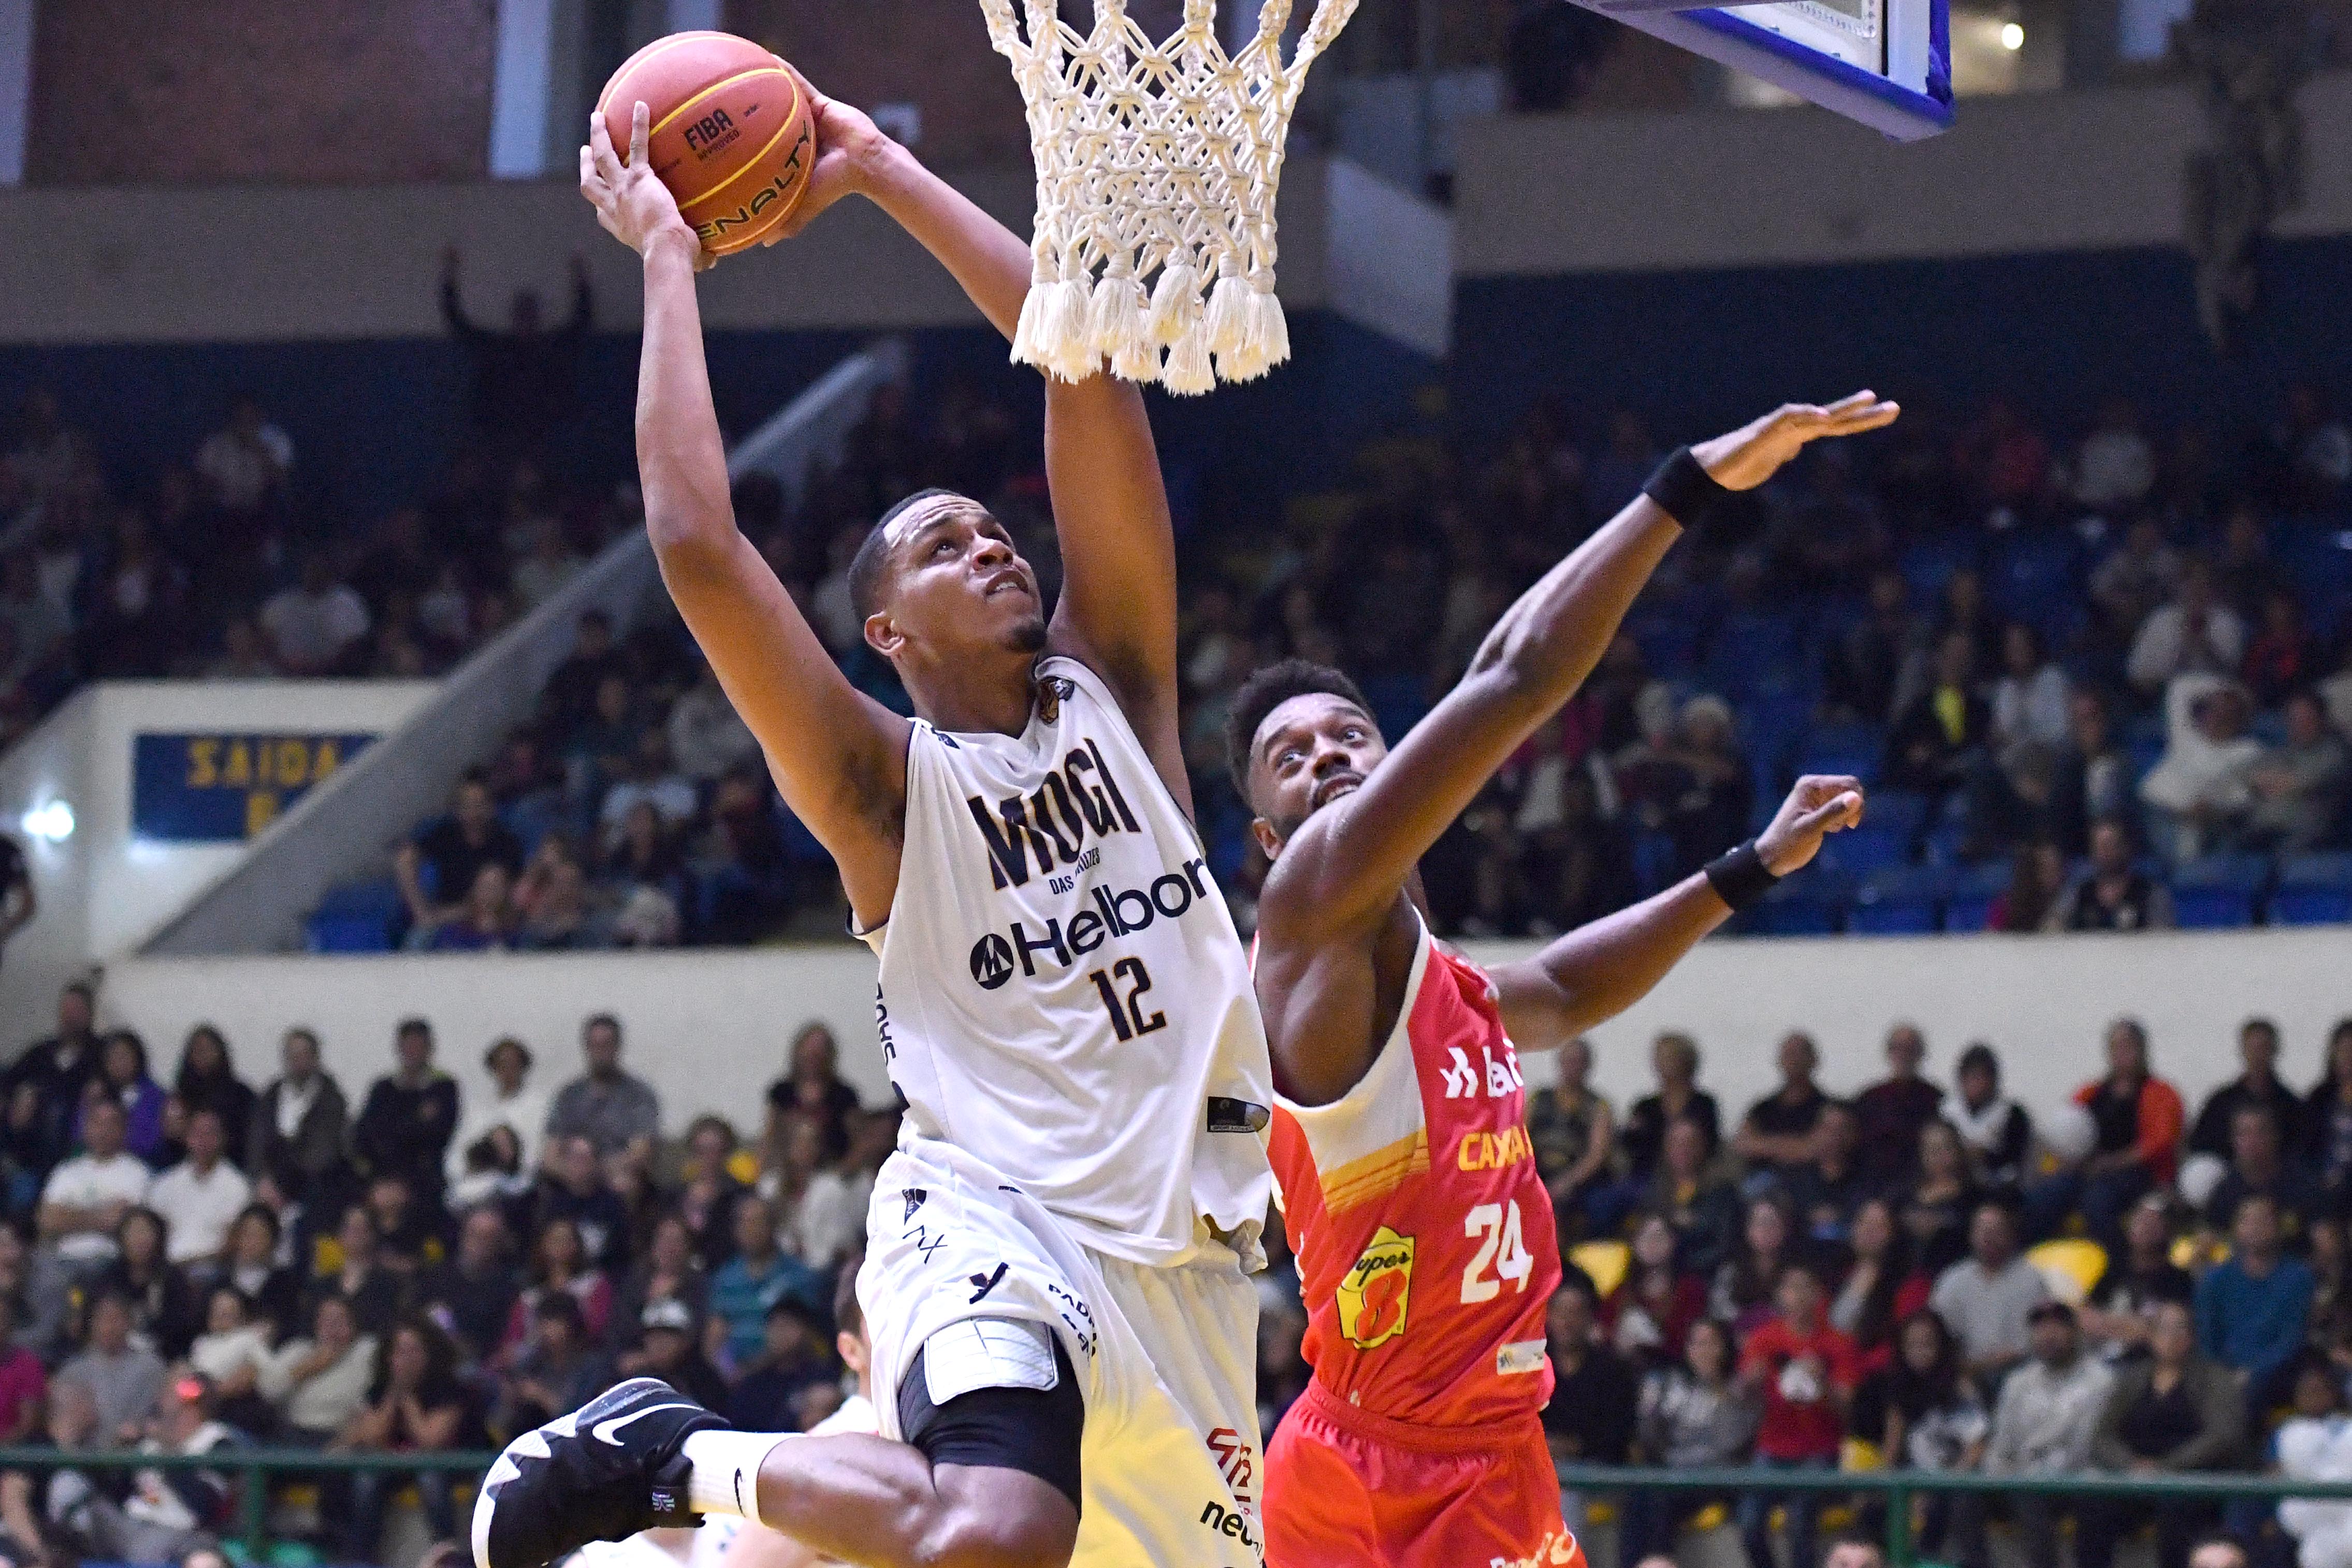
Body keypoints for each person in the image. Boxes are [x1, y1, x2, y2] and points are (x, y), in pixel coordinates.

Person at [486, 77, 1289, 1568]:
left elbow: (1084, 378)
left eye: (993, 528)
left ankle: (699, 1540)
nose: (987, 539)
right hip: (994, 1218)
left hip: (1189, 1265)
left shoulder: (1118, 689)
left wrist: (879, 169)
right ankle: (663, 1453)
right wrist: (667, 255)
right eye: (939, 543)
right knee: (991, 1532)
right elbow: (694, 542)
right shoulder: (883, 788)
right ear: (883, 631)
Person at [1236, 397, 1884, 1566]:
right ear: (1265, 840)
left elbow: (1566, 987)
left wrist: (1745, 866)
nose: (1328, 754)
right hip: (1392, 1460)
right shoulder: (1307, 908)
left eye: (1347, 734)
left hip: (1470, 1448)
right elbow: (1517, 673)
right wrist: (1681, 484)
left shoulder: (1441, 984)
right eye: (1292, 756)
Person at [2074, 1300, 2245, 1568]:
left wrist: (2167, 1467)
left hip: (2191, 1478)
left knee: (2177, 1510)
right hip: (2135, 1476)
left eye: (2181, 1329)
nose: (2173, 1337)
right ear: (2151, 1336)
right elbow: (2103, 1435)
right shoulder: (2133, 1378)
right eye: (2164, 1329)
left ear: (2191, 1336)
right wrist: (2130, 1465)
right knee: (2095, 1505)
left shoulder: (2215, 1378)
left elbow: (2222, 1436)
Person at [1964, 1300, 2113, 1568]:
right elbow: (2002, 1447)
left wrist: (2029, 1474)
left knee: (2034, 1495)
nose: (2049, 1334)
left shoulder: (2100, 1380)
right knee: (1965, 1495)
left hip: (2076, 1481)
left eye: (2058, 1326)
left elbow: (2085, 1447)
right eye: (2040, 1327)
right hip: (2021, 1479)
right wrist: (2001, 1476)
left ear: (2075, 1333)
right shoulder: (2018, 1382)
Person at [1736, 1261, 1858, 1568]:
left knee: (1800, 1518)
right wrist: (1749, 1382)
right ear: (1780, 1295)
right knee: (1748, 1521)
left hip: (1820, 1451)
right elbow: (1739, 1397)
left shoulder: (1839, 1343)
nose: (1799, 1296)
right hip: (1772, 1449)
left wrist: (1823, 1384)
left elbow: (1846, 1410)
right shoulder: (1763, 1339)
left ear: (1819, 1294)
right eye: (1791, 1288)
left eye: (1806, 1287)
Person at [2026, 1017, 2184, 1244]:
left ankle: (2115, 1263)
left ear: (2142, 1050)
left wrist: (2110, 1163)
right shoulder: (2091, 1093)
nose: (2122, 1053)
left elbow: (2159, 1143)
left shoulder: (2161, 1094)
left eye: (2128, 1046)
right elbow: (2065, 1129)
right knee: (2045, 1196)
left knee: (2098, 1201)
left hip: (2138, 1174)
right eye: (2116, 1047)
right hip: (2088, 1170)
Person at [1853, 1309, 1985, 1561]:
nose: (1919, 1352)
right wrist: (1896, 1490)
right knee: (1871, 1513)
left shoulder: (1960, 1388)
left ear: (1941, 1346)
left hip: (1956, 1480)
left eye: (1927, 1344)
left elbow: (1977, 1445)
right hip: (1914, 1481)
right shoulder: (1898, 1389)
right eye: (1912, 1345)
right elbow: (1892, 1450)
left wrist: (1943, 1485)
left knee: (1950, 1508)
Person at [1621, 1318, 1755, 1563]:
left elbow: (1731, 1445)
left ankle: (1658, 1562)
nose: (1702, 1352)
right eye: (1696, 1344)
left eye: (1710, 1344)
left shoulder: (1739, 1390)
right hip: (1674, 1473)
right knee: (1639, 1496)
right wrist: (1649, 1411)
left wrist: (1718, 1393)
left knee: (1660, 1500)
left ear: (1724, 1349)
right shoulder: (1676, 1385)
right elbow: (1653, 1441)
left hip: (1718, 1477)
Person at [336, 1317, 470, 1559]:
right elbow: (373, 1437)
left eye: (414, 1350)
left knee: (430, 1479)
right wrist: (393, 1394)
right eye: (400, 1351)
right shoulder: (379, 1389)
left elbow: (430, 1440)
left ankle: (447, 1556)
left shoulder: (448, 1389)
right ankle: (361, 1559)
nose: (406, 1358)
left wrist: (407, 1397)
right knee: (366, 1479)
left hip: (443, 1465)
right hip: (392, 1464)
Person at [2196, 1193, 2316, 1416]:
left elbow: (2291, 1339)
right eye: (2247, 1220)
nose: (2255, 1228)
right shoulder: (2215, 1279)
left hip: (2280, 1373)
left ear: (2278, 1227)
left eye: (2263, 1220)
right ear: (2236, 1228)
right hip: (2223, 1375)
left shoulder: (2298, 1276)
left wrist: (2253, 1373)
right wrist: (2222, 1377)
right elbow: (2208, 1340)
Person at [1928, 1202, 2049, 1395]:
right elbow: (1935, 1334)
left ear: (2011, 1235)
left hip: (2021, 1372)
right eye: (1982, 1230)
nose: (1989, 1238)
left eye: (1996, 1231)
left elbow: (2040, 1335)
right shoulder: (1953, 1279)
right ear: (1971, 1235)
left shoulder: (2031, 1278)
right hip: (1966, 1375)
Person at [394, 773, 525, 940]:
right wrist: (421, 910)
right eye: (468, 806)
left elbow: (515, 892)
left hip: (494, 918)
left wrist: (475, 911)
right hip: (447, 916)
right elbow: (404, 859)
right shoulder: (446, 834)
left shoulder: (506, 842)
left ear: (491, 807)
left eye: (479, 805)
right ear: (458, 809)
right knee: (419, 939)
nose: (474, 812)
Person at [705, 1195, 822, 1373]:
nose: (750, 1230)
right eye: (744, 1223)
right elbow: (714, 1337)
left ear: (772, 1226)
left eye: (757, 1222)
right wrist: (728, 1372)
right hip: (732, 1380)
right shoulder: (725, 1278)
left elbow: (801, 1337)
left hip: (783, 1375)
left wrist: (752, 1371)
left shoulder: (798, 1276)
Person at [35, 1098, 149, 1275]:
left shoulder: (137, 1173)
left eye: (111, 1123)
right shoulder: (66, 1171)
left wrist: (69, 1216)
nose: (103, 1131)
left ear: (124, 1129)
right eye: (96, 1122)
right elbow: (48, 1221)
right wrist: (102, 1217)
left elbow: (123, 1223)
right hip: (63, 1261)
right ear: (86, 1128)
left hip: (111, 1262)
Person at [352, 1018, 460, 1204]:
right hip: (382, 1173)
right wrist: (417, 1119)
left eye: (419, 1046)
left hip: (425, 1176)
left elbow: (439, 1137)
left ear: (429, 1049)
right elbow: (366, 1134)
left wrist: (395, 1127)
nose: (413, 1052)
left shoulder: (444, 1087)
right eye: (408, 1045)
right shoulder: (383, 1088)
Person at [2080, 1192, 2196, 1362]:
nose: (2146, 1226)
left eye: (2155, 1222)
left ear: (2169, 1231)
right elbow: (2086, 1316)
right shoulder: (2116, 1269)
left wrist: (2109, 1324)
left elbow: (2163, 1334)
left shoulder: (2180, 1281)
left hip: (2148, 1365)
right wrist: (2131, 1326)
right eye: (2141, 1219)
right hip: (2101, 1361)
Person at [1526, 1036, 1623, 1240]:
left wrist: (1567, 1183)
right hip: (1538, 1172)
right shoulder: (1538, 1098)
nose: (1572, 1067)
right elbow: (1520, 1139)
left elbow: (1597, 1155)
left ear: (1588, 1066)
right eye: (1568, 1061)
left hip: (1579, 1179)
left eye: (1578, 1061)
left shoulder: (1599, 1107)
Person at [5, 980, 98, 1179]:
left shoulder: (100, 1055)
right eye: (66, 1009)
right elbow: (9, 1080)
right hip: (28, 1149)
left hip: (75, 1148)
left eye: (77, 1010)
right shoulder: (41, 1052)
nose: (70, 1016)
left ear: (89, 1015)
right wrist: (20, 1097)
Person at [247, 1027, 348, 1209]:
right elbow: (257, 1143)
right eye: (293, 1055)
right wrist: (262, 1179)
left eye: (304, 1054)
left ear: (316, 1058)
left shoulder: (331, 1100)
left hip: (314, 1188)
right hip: (269, 1188)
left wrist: (286, 1183)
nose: (299, 1061)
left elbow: (323, 1153)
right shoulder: (270, 1097)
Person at [142, 1110, 251, 1269]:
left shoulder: (237, 1186)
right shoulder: (166, 1184)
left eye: (210, 1133)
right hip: (168, 1269)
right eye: (197, 1133)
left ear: (222, 1139)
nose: (203, 1140)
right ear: (187, 1138)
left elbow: (235, 1240)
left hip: (214, 1268)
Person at [544, 1013, 660, 1160]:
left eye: (606, 1045)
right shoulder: (569, 1096)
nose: (600, 1053)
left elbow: (640, 1154)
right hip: (573, 1176)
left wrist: (594, 1172)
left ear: (618, 1047)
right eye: (595, 1046)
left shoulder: (639, 1095)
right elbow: (551, 1153)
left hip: (619, 1175)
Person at [55, 1291, 167, 1442]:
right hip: (84, 1456)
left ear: (129, 1323)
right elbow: (61, 1428)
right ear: (92, 1324)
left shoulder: (152, 1368)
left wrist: (141, 1428)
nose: (109, 1327)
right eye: (103, 1319)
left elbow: (163, 1416)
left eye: (116, 1319)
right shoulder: (73, 1372)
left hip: (137, 1455)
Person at [2205, 1102, 2324, 1242]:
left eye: (2260, 1132)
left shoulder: (2302, 1186)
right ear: (2233, 1140)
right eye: (2244, 1133)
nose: (2252, 1141)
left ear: (2275, 1136)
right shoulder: (2225, 1192)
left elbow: (2323, 1237)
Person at [1641, 1116, 1743, 1277]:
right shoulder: (1654, 1190)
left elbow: (1725, 1246)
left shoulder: (1721, 1193)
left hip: (1705, 1277)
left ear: (1703, 1147)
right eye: (1675, 1142)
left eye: (1690, 1142)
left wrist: (1681, 1266)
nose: (1683, 1149)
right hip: (1656, 1278)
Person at [2192, 1017, 2303, 1160]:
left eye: (2264, 1047)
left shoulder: (2291, 1105)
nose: (2258, 1055)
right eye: (2252, 1048)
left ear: (2275, 1051)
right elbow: (2200, 1145)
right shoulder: (2221, 1101)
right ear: (2243, 1050)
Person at [2276, 1358, 2352, 1568]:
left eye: (2319, 1390)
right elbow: (2273, 1472)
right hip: (2304, 1517)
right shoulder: (2287, 1431)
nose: (2313, 1396)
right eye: (2307, 1390)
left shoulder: (2347, 1428)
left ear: (2334, 1393)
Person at [1733, 1032, 1833, 1190]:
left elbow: (1818, 1149)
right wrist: (1795, 1147)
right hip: (1763, 1184)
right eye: (1788, 1055)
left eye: (1799, 1054)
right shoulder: (1762, 1109)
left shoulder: (1828, 1108)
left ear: (1814, 1060)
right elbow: (1743, 1144)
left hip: (1813, 1183)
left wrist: (1764, 1144)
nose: (1794, 1061)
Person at [447, 1037, 549, 1187]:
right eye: (502, 1064)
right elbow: (457, 1154)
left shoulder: (539, 1106)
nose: (507, 1070)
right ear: (493, 1068)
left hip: (521, 1186)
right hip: (476, 1185)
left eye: (513, 1064)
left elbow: (537, 1154)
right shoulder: (478, 1108)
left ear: (523, 1067)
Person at [1621, 1030, 1720, 1185]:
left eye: (1669, 1058)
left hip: (1695, 1177)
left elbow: (1711, 1144)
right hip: (1647, 1176)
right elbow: (1630, 1144)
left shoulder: (1703, 1104)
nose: (1662, 1065)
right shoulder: (1646, 1106)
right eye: (1659, 1058)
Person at [2052, 818, 2177, 932]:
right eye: (2099, 846)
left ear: (2126, 847)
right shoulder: (2079, 892)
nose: (2104, 853)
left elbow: (2164, 937)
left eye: (2110, 845)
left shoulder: (2150, 894)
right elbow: (2052, 930)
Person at [1854, 1024, 1942, 1185]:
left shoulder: (1936, 1099)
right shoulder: (1870, 1099)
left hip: (1920, 1185)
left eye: (1910, 1049)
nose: (1904, 1055)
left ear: (1920, 1054)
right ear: (1889, 1053)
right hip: (1873, 1184)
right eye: (1898, 1048)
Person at [1947, 1043, 2032, 1189]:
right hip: (1952, 1184)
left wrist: (1984, 1155)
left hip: (1997, 1186)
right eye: (1973, 1077)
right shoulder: (1947, 1112)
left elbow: (2015, 1160)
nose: (1979, 1084)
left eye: (1984, 1077)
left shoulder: (2012, 1115)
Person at [170, 1029, 255, 1164]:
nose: (202, 1055)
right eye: (197, 1050)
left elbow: (250, 1140)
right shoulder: (179, 1097)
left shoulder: (241, 1095)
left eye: (208, 1049)